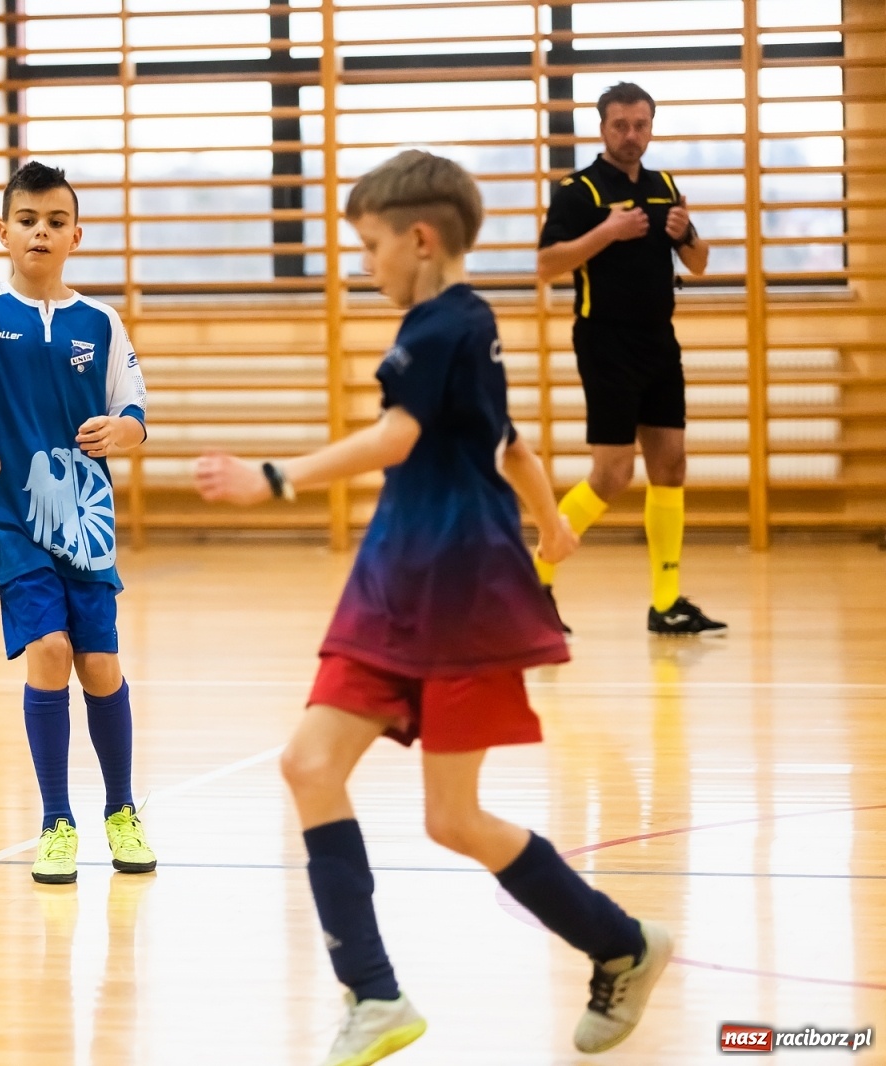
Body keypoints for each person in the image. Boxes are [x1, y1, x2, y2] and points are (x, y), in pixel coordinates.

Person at [195, 150, 671, 1065]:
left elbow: (399, 432)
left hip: (456, 591)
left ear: (419, 239)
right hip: (395, 583)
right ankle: (373, 995)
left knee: (453, 819)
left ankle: (621, 942)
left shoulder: (437, 327)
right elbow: (511, 442)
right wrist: (550, 526)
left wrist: (273, 477)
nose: (364, 265)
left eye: (370, 246)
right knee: (307, 765)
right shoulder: (468, 326)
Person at [0, 161, 155, 886]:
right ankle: (56, 819)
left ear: (75, 236)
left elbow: (135, 414)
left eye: (55, 221)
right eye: (27, 220)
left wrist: (124, 435)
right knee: (51, 652)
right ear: (3, 232)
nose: (40, 231)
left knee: (100, 666)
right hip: (13, 518)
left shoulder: (102, 322)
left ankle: (121, 811)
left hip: (85, 521)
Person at [536, 81, 725, 636]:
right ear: (602, 126)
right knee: (612, 475)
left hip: (658, 342)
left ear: (651, 126)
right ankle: (535, 579)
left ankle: (666, 602)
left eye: (641, 125)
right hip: (605, 342)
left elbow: (699, 264)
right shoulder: (579, 191)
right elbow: (548, 263)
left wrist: (686, 233)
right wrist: (607, 232)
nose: (631, 135)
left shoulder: (665, 185)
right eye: (620, 124)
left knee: (671, 465)